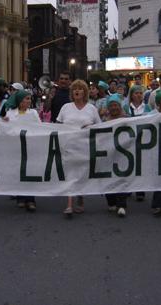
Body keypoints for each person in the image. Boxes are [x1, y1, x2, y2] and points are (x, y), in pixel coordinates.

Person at [56, 79, 101, 217]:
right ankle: (69, 204)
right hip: (69, 145)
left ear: (85, 92)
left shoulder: (91, 109)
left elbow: (99, 126)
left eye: (80, 88)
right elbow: (57, 124)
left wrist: (90, 127)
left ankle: (80, 196)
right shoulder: (66, 107)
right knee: (70, 173)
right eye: (74, 88)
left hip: (85, 146)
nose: (77, 91)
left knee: (81, 174)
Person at [4, 90, 41, 212]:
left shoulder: (33, 113)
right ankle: (20, 197)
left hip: (30, 146)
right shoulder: (10, 113)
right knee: (18, 171)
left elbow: (39, 127)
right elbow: (7, 129)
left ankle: (31, 199)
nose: (29, 101)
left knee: (30, 171)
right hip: (15, 147)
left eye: (30, 99)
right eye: (26, 99)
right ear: (20, 101)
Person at [103, 94, 129, 217]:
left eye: (116, 105)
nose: (114, 108)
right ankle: (111, 202)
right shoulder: (104, 121)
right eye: (111, 105)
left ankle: (122, 204)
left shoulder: (127, 119)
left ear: (120, 106)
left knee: (121, 178)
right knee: (109, 178)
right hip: (108, 154)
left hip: (123, 153)